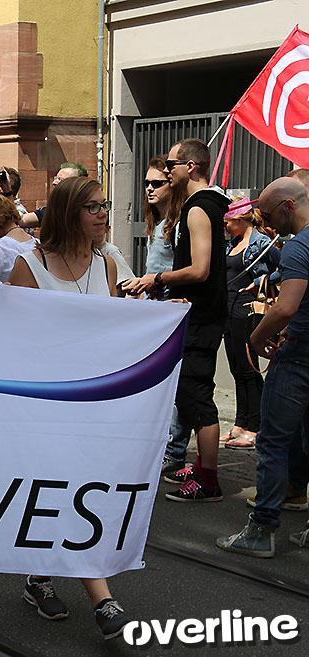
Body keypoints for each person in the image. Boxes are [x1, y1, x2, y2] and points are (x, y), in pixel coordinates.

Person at [8, 176, 128, 640]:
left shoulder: (107, 264)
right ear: (66, 213)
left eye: (104, 204)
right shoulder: (29, 265)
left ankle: (38, 576)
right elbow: (14, 343)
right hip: (46, 403)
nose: (102, 214)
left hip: (94, 402)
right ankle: (102, 597)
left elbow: (118, 329)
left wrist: (160, 320)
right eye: (91, 207)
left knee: (77, 490)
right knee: (65, 488)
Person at [133, 139, 230, 502]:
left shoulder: (198, 208)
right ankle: (202, 466)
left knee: (197, 398)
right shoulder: (212, 203)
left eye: (172, 164)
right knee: (190, 395)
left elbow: (201, 269)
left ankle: (208, 480)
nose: (167, 170)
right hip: (201, 311)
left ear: (190, 166)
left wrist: (157, 279)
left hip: (201, 316)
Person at [218, 177, 309, 557]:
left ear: (288, 206)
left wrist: (256, 338)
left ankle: (261, 530)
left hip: (299, 358)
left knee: (272, 441)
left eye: (269, 215)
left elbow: (286, 305)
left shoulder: (296, 248)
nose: (268, 224)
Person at [217, 198, 280, 450]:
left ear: (242, 220)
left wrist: (262, 281)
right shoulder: (231, 244)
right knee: (236, 369)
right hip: (229, 312)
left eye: (228, 222)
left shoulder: (261, 244)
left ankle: (256, 426)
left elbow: (282, 268)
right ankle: (240, 422)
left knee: (248, 369)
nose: (226, 227)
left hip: (248, 311)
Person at [19, 162, 87, 229]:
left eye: (60, 179)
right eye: (55, 178)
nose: (54, 183)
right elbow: (22, 220)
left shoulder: (89, 211)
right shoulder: (52, 211)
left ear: (76, 186)